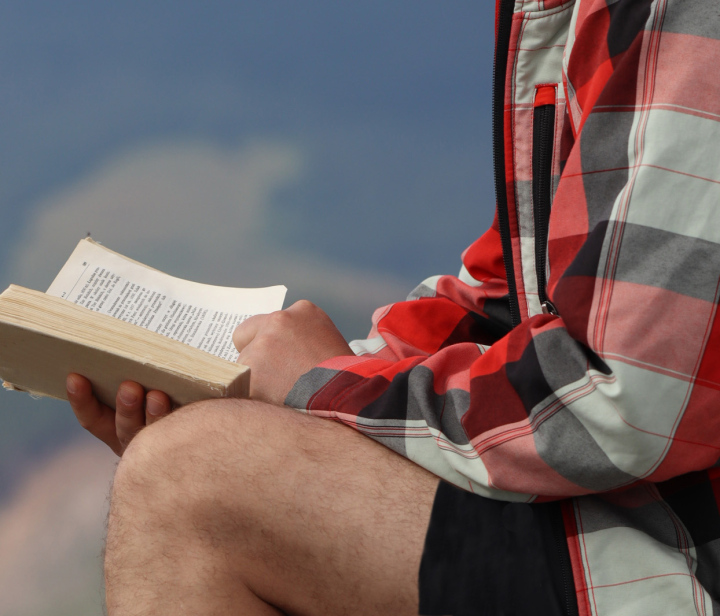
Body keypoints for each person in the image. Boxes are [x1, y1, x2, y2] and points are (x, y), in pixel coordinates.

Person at [66, 0, 720, 614]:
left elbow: (622, 397)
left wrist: (327, 388)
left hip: (682, 550)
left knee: (187, 481)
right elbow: (511, 292)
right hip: (631, 516)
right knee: (219, 459)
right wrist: (288, 386)